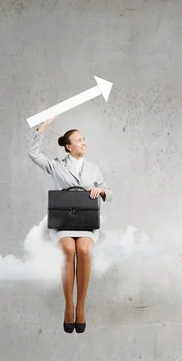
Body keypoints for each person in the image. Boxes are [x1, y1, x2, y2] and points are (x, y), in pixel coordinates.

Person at [28, 113, 113, 334]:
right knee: (68, 250)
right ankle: (68, 305)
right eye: (79, 140)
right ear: (68, 147)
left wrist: (101, 190)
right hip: (64, 221)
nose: (84, 142)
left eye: (84, 139)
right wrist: (43, 126)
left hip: (86, 222)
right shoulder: (56, 166)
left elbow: (110, 192)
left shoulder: (94, 167)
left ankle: (81, 305)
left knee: (83, 249)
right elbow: (33, 153)